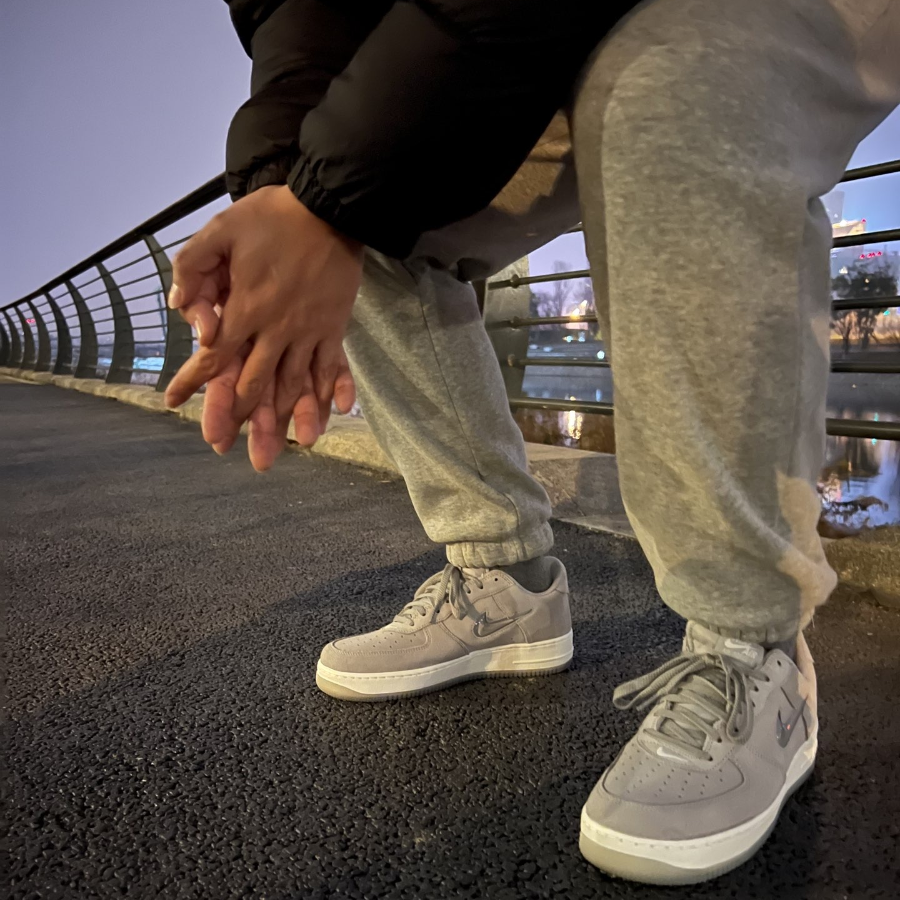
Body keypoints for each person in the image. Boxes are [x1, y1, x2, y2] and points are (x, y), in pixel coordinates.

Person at [164, 0, 900, 885]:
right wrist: (287, 189)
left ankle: (756, 647)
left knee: (671, 84)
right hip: (535, 25)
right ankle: (503, 578)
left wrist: (323, 193)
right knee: (365, 228)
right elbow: (301, 16)